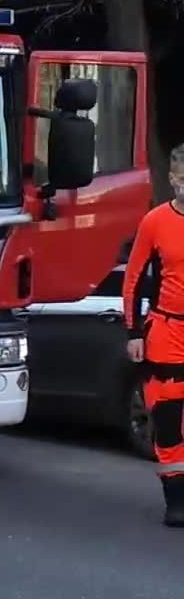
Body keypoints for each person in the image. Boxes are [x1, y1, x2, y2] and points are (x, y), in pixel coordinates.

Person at [124, 144, 184, 527]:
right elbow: (132, 281)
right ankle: (176, 500)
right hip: (167, 333)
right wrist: (133, 332)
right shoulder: (155, 222)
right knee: (168, 419)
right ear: (174, 179)